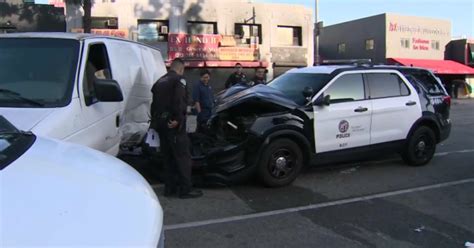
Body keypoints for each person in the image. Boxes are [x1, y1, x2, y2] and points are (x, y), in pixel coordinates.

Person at [150, 58, 203, 199]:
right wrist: (178, 120)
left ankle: (170, 188)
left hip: (161, 125)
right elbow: (179, 102)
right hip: (174, 126)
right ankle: (185, 190)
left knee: (168, 158)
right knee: (183, 157)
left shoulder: (159, 82)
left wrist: (156, 123)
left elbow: (154, 105)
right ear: (181, 69)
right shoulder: (179, 80)